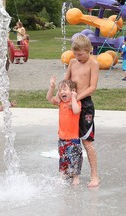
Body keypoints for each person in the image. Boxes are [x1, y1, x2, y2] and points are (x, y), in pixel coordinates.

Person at [64, 34, 100, 188]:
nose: (77, 57)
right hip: (71, 103)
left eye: (80, 54)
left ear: (89, 50)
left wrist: (77, 97)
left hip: (84, 105)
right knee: (71, 139)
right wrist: (61, 95)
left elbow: (92, 87)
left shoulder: (93, 63)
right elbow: (66, 82)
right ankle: (72, 171)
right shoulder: (72, 62)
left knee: (87, 141)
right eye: (75, 54)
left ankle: (94, 175)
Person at [47, 78, 83, 185]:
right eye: (60, 90)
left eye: (65, 89)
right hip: (62, 138)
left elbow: (76, 111)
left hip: (73, 139)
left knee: (75, 159)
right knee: (63, 158)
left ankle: (75, 176)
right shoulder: (61, 103)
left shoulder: (76, 103)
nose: (62, 92)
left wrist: (74, 98)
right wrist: (52, 87)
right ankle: (65, 173)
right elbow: (49, 98)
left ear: (72, 91)